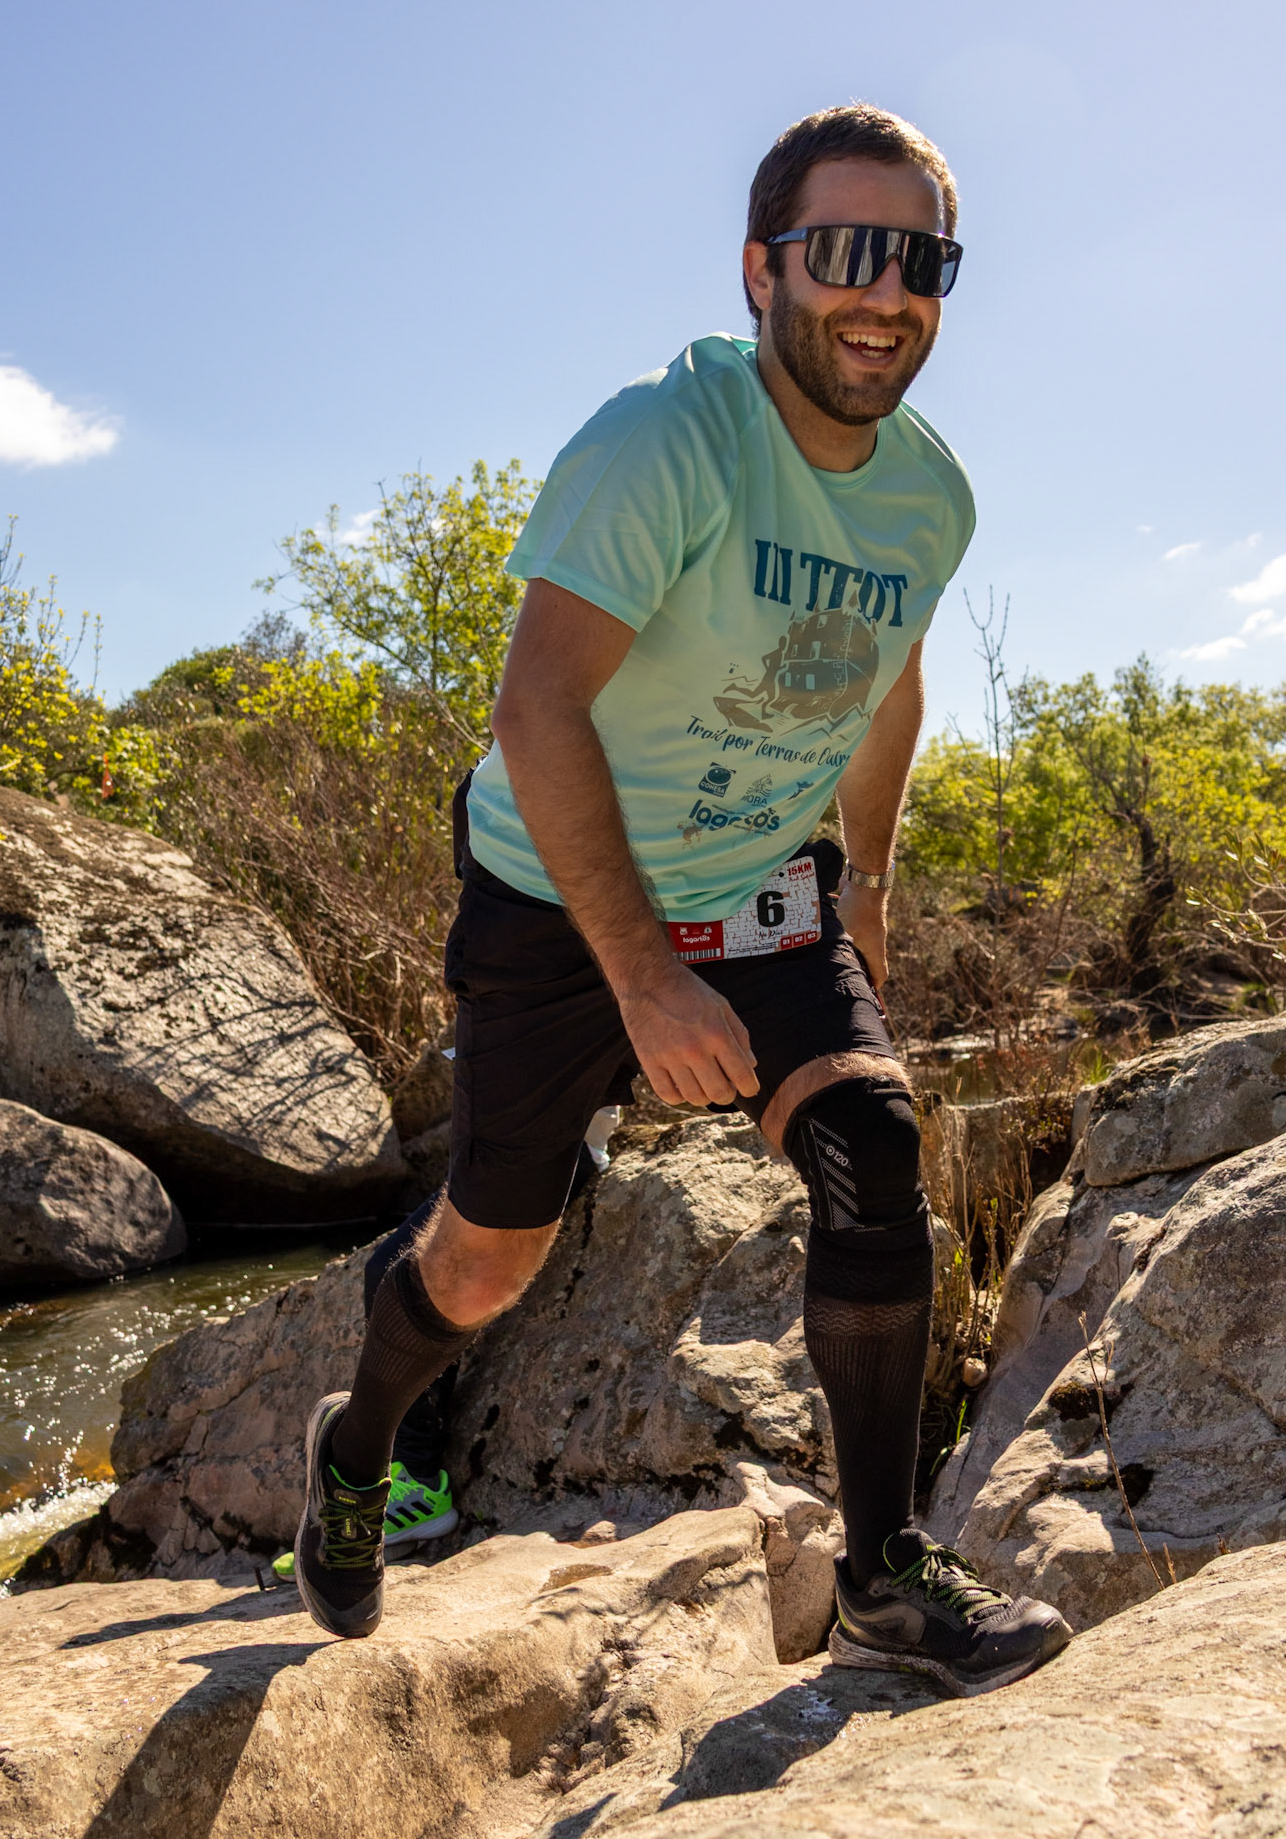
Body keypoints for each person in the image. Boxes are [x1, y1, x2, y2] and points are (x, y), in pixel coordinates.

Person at [292, 103, 1073, 1696]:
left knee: (871, 1145)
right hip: (554, 895)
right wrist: (645, 978)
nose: (882, 293)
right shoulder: (668, 438)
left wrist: (864, 889)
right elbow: (536, 708)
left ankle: (881, 1583)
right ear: (760, 271)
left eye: (919, 261)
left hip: (761, 878)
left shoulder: (928, 497)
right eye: (843, 251)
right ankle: (359, 1445)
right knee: (486, 1259)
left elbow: (889, 683)